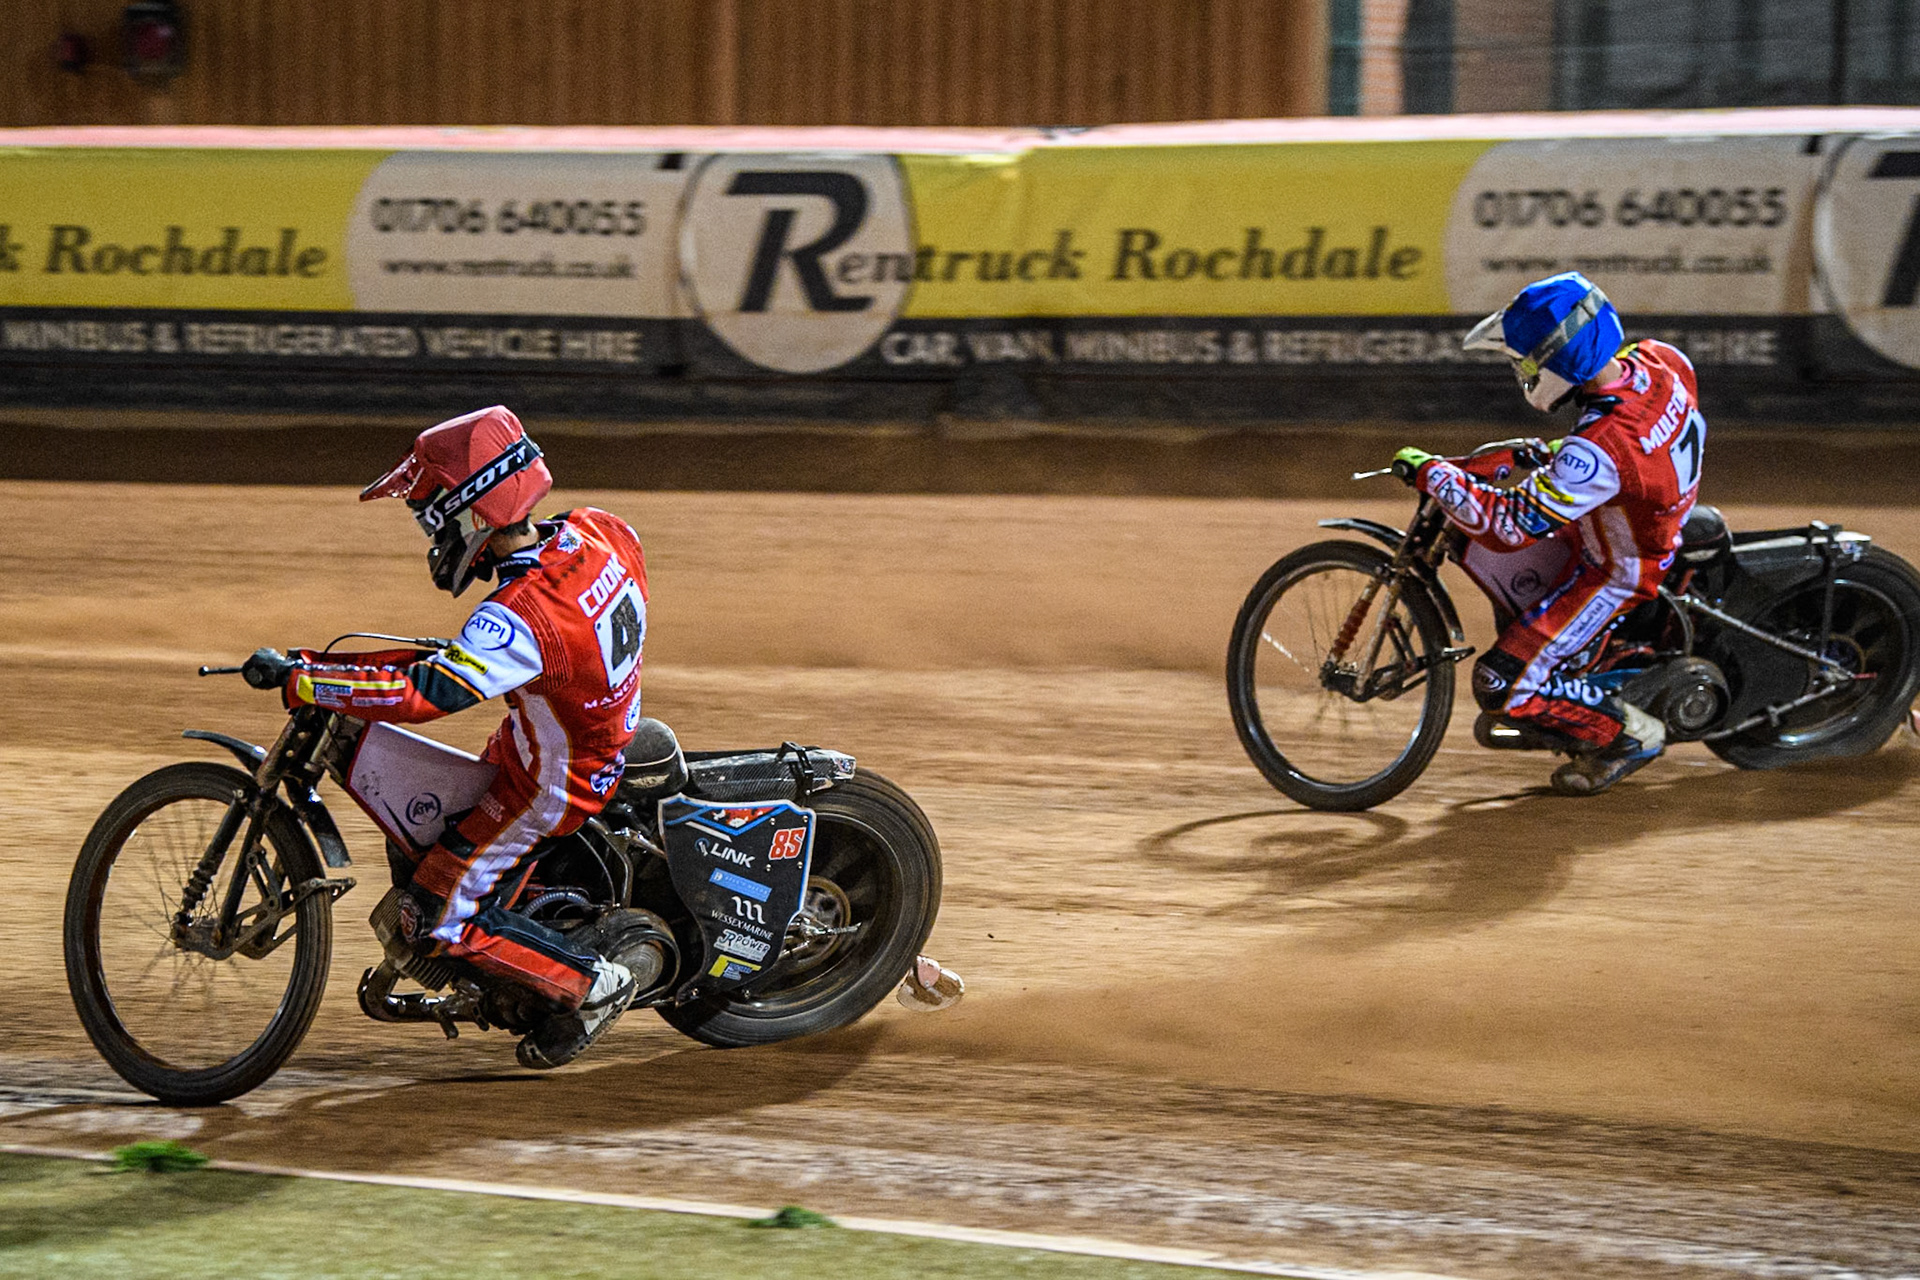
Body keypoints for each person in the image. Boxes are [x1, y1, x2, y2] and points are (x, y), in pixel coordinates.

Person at [241, 405, 651, 1067]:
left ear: (473, 511)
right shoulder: (599, 530)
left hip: (548, 786)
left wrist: (307, 681)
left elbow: (421, 696)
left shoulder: (519, 617)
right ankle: (516, 935)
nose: (429, 533)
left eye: (431, 517)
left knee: (432, 919)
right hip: (563, 737)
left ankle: (593, 985)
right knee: (429, 832)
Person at [1390, 273, 1707, 796]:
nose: (1521, 371)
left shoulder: (1601, 448)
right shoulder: (1660, 360)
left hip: (1617, 572)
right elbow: (1633, 438)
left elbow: (1506, 526)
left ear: (1559, 359)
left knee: (1500, 684)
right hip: (1640, 514)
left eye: (1527, 362)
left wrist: (1434, 473)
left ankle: (1632, 736)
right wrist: (1553, 453)